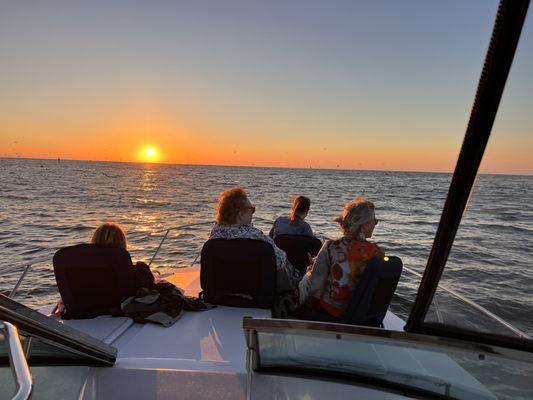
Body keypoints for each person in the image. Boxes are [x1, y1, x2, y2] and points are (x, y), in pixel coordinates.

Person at [298, 197, 384, 322]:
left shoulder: (330, 247)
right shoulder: (377, 253)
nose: (375, 224)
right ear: (364, 225)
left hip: (330, 311)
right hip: (359, 314)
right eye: (375, 221)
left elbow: (315, 286)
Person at [209, 187, 299, 292]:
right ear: (240, 214)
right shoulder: (258, 238)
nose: (253, 213)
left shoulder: (214, 237)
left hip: (220, 295)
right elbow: (281, 261)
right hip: (256, 298)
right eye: (252, 210)